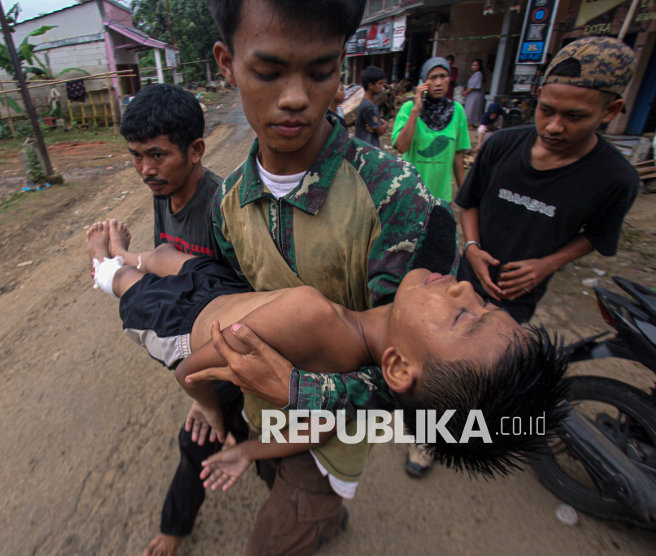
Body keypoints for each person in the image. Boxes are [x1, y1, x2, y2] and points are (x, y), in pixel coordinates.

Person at [187, 1, 459, 553]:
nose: (294, 97)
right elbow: (234, 308)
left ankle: (321, 514)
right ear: (226, 63)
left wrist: (296, 389)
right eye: (268, 72)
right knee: (280, 485)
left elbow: (419, 379)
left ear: (342, 66)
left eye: (320, 72)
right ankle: (325, 519)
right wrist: (213, 388)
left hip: (333, 438)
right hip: (263, 417)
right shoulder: (227, 205)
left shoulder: (397, 198)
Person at [87, 219, 570, 477]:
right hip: (225, 297)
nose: (466, 290)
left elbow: (189, 371)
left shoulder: (310, 314)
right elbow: (316, 431)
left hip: (181, 328)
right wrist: (250, 452)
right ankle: (129, 254)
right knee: (178, 260)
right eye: (486, 305)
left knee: (134, 288)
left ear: (399, 367)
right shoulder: (350, 379)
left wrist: (209, 410)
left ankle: (104, 267)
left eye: (465, 318)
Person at [118, 83, 244, 556]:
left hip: (234, 343)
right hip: (201, 347)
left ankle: (174, 531)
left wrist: (208, 388)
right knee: (240, 431)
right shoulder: (162, 191)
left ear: (196, 150)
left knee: (200, 439)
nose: (146, 170)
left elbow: (244, 300)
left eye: (157, 155)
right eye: (135, 156)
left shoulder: (224, 209)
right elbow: (167, 268)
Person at [455, 35, 639, 326]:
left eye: (575, 116)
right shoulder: (501, 144)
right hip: (465, 277)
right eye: (546, 110)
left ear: (611, 111)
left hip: (518, 295)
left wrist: (547, 265)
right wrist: (472, 248)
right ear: (539, 95)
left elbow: (597, 235)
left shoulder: (617, 178)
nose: (554, 127)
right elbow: (469, 202)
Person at [391, 57, 470, 203]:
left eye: (443, 76)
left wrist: (464, 194)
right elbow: (401, 147)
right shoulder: (409, 109)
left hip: (440, 198)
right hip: (411, 195)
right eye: (432, 78)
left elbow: (458, 156)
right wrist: (416, 109)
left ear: (449, 79)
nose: (438, 83)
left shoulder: (457, 111)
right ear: (423, 82)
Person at [354, 66, 388, 148]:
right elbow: (380, 130)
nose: (382, 87)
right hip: (366, 151)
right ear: (371, 85)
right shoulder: (367, 107)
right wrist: (386, 124)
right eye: (380, 83)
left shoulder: (372, 104)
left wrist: (379, 123)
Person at [463, 59, 485, 126]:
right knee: (469, 109)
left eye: (476, 65)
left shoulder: (479, 75)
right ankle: (469, 123)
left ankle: (471, 124)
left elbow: (474, 86)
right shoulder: (474, 75)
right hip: (471, 95)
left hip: (475, 95)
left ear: (479, 66)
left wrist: (466, 91)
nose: (474, 66)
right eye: (473, 65)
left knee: (472, 109)